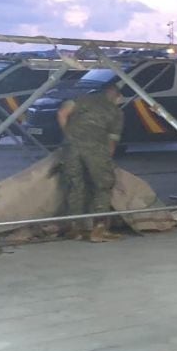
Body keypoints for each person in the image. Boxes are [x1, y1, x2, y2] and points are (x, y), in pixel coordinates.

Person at [57, 84, 124, 242]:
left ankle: (75, 229)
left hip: (71, 148)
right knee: (103, 186)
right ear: (117, 96)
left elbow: (62, 113)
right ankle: (99, 229)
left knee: (75, 185)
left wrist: (69, 136)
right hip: (97, 150)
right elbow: (112, 141)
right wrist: (107, 159)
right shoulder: (116, 111)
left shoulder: (81, 99)